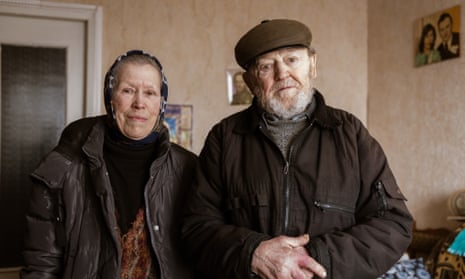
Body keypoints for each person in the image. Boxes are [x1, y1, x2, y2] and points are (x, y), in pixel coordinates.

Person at [181, 19, 413, 279]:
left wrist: (315, 258)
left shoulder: (351, 133)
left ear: (312, 65)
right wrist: (253, 252)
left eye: (292, 60)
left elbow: (393, 224)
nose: (283, 75)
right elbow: (196, 227)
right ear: (250, 81)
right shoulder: (224, 138)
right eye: (267, 67)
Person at [21, 50, 197, 278]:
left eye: (150, 93)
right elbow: (41, 262)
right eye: (128, 91)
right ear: (110, 97)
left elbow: (203, 251)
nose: (139, 103)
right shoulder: (63, 167)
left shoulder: (189, 168)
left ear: (161, 102)